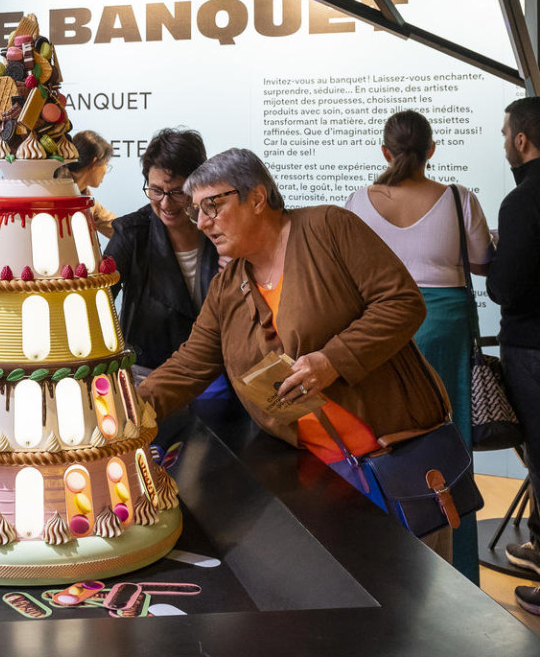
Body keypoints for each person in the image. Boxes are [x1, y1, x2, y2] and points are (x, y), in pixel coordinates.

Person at [137, 148, 452, 553]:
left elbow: (402, 303)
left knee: (422, 599)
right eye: (197, 211)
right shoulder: (227, 287)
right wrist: (126, 411)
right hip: (320, 475)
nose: (201, 223)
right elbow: (190, 363)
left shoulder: (328, 227)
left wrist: (331, 361)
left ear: (256, 196)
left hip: (397, 457)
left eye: (212, 206)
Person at [345, 109, 492, 584]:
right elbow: (481, 263)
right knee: (451, 445)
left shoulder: (357, 202)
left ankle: (385, 564)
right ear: (432, 150)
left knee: (379, 442)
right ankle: (457, 574)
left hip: (376, 325)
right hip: (442, 326)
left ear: (385, 151)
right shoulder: (458, 199)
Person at [104, 128, 220, 372]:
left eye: (178, 192)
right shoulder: (131, 233)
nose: (166, 203)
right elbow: (98, 301)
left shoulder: (219, 229)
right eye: (156, 191)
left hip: (214, 374)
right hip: (150, 372)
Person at [487, 96, 540, 615]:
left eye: (505, 134)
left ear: (521, 140)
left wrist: (502, 255)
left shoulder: (521, 202)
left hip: (533, 347)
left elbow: (507, 288)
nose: (504, 142)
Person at [54, 130, 116, 238]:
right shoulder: (51, 191)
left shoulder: (87, 199)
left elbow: (116, 228)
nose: (106, 171)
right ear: (94, 163)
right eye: (106, 164)